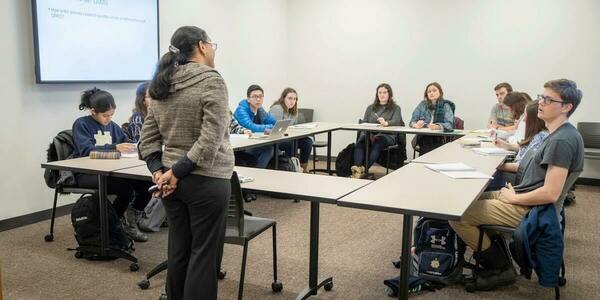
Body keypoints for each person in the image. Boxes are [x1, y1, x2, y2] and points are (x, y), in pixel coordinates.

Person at [449, 79, 583, 291]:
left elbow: (550, 193)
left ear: (566, 107)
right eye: (541, 97)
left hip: (534, 211)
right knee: (470, 199)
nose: (540, 102)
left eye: (548, 99)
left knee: (458, 215)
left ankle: (500, 267)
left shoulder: (561, 141)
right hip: (525, 198)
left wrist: (514, 198)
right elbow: (531, 171)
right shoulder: (555, 134)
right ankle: (498, 255)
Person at [138, 26, 233, 300]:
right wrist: (176, 172)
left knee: (178, 250)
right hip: (207, 179)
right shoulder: (211, 80)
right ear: (202, 46)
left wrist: (160, 172)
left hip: (170, 183)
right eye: (212, 44)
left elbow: (148, 139)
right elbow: (211, 139)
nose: (213, 49)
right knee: (203, 255)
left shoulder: (162, 83)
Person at [72, 88, 151, 242]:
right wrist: (115, 147)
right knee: (125, 188)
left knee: (147, 183)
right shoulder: (82, 124)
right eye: (105, 115)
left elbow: (125, 142)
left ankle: (129, 221)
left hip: (112, 171)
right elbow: (86, 151)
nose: (108, 119)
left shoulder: (112, 126)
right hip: (87, 173)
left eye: (111, 115)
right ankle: (111, 224)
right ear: (93, 111)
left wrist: (135, 146)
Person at [350, 83, 404, 179]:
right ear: (377, 94)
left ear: (389, 94)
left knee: (377, 142)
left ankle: (363, 169)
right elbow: (365, 121)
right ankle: (357, 169)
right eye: (379, 93)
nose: (382, 95)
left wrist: (386, 123)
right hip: (369, 134)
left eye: (384, 92)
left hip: (387, 135)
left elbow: (397, 121)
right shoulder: (370, 108)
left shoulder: (396, 108)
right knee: (360, 142)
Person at [269, 87, 314, 172]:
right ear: (283, 98)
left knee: (307, 142)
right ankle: (291, 168)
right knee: (291, 143)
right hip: (276, 138)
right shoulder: (277, 108)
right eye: (290, 98)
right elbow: (275, 128)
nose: (292, 101)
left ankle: (303, 169)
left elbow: (293, 127)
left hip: (288, 137)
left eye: (294, 99)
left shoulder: (294, 111)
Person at [233, 84, 276, 168]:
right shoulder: (241, 110)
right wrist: (271, 127)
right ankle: (257, 173)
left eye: (260, 96)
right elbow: (251, 127)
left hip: (253, 142)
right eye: (255, 96)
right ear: (248, 99)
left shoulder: (259, 108)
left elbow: (270, 120)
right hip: (241, 147)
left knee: (272, 147)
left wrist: (279, 125)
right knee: (268, 149)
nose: (258, 99)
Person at [409, 82, 455, 154]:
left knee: (431, 145)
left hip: (440, 138)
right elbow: (412, 121)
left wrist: (438, 126)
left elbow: (450, 125)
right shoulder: (422, 105)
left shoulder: (446, 105)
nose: (431, 93)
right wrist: (416, 125)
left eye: (434, 90)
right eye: (429, 91)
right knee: (426, 142)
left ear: (440, 92)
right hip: (424, 137)